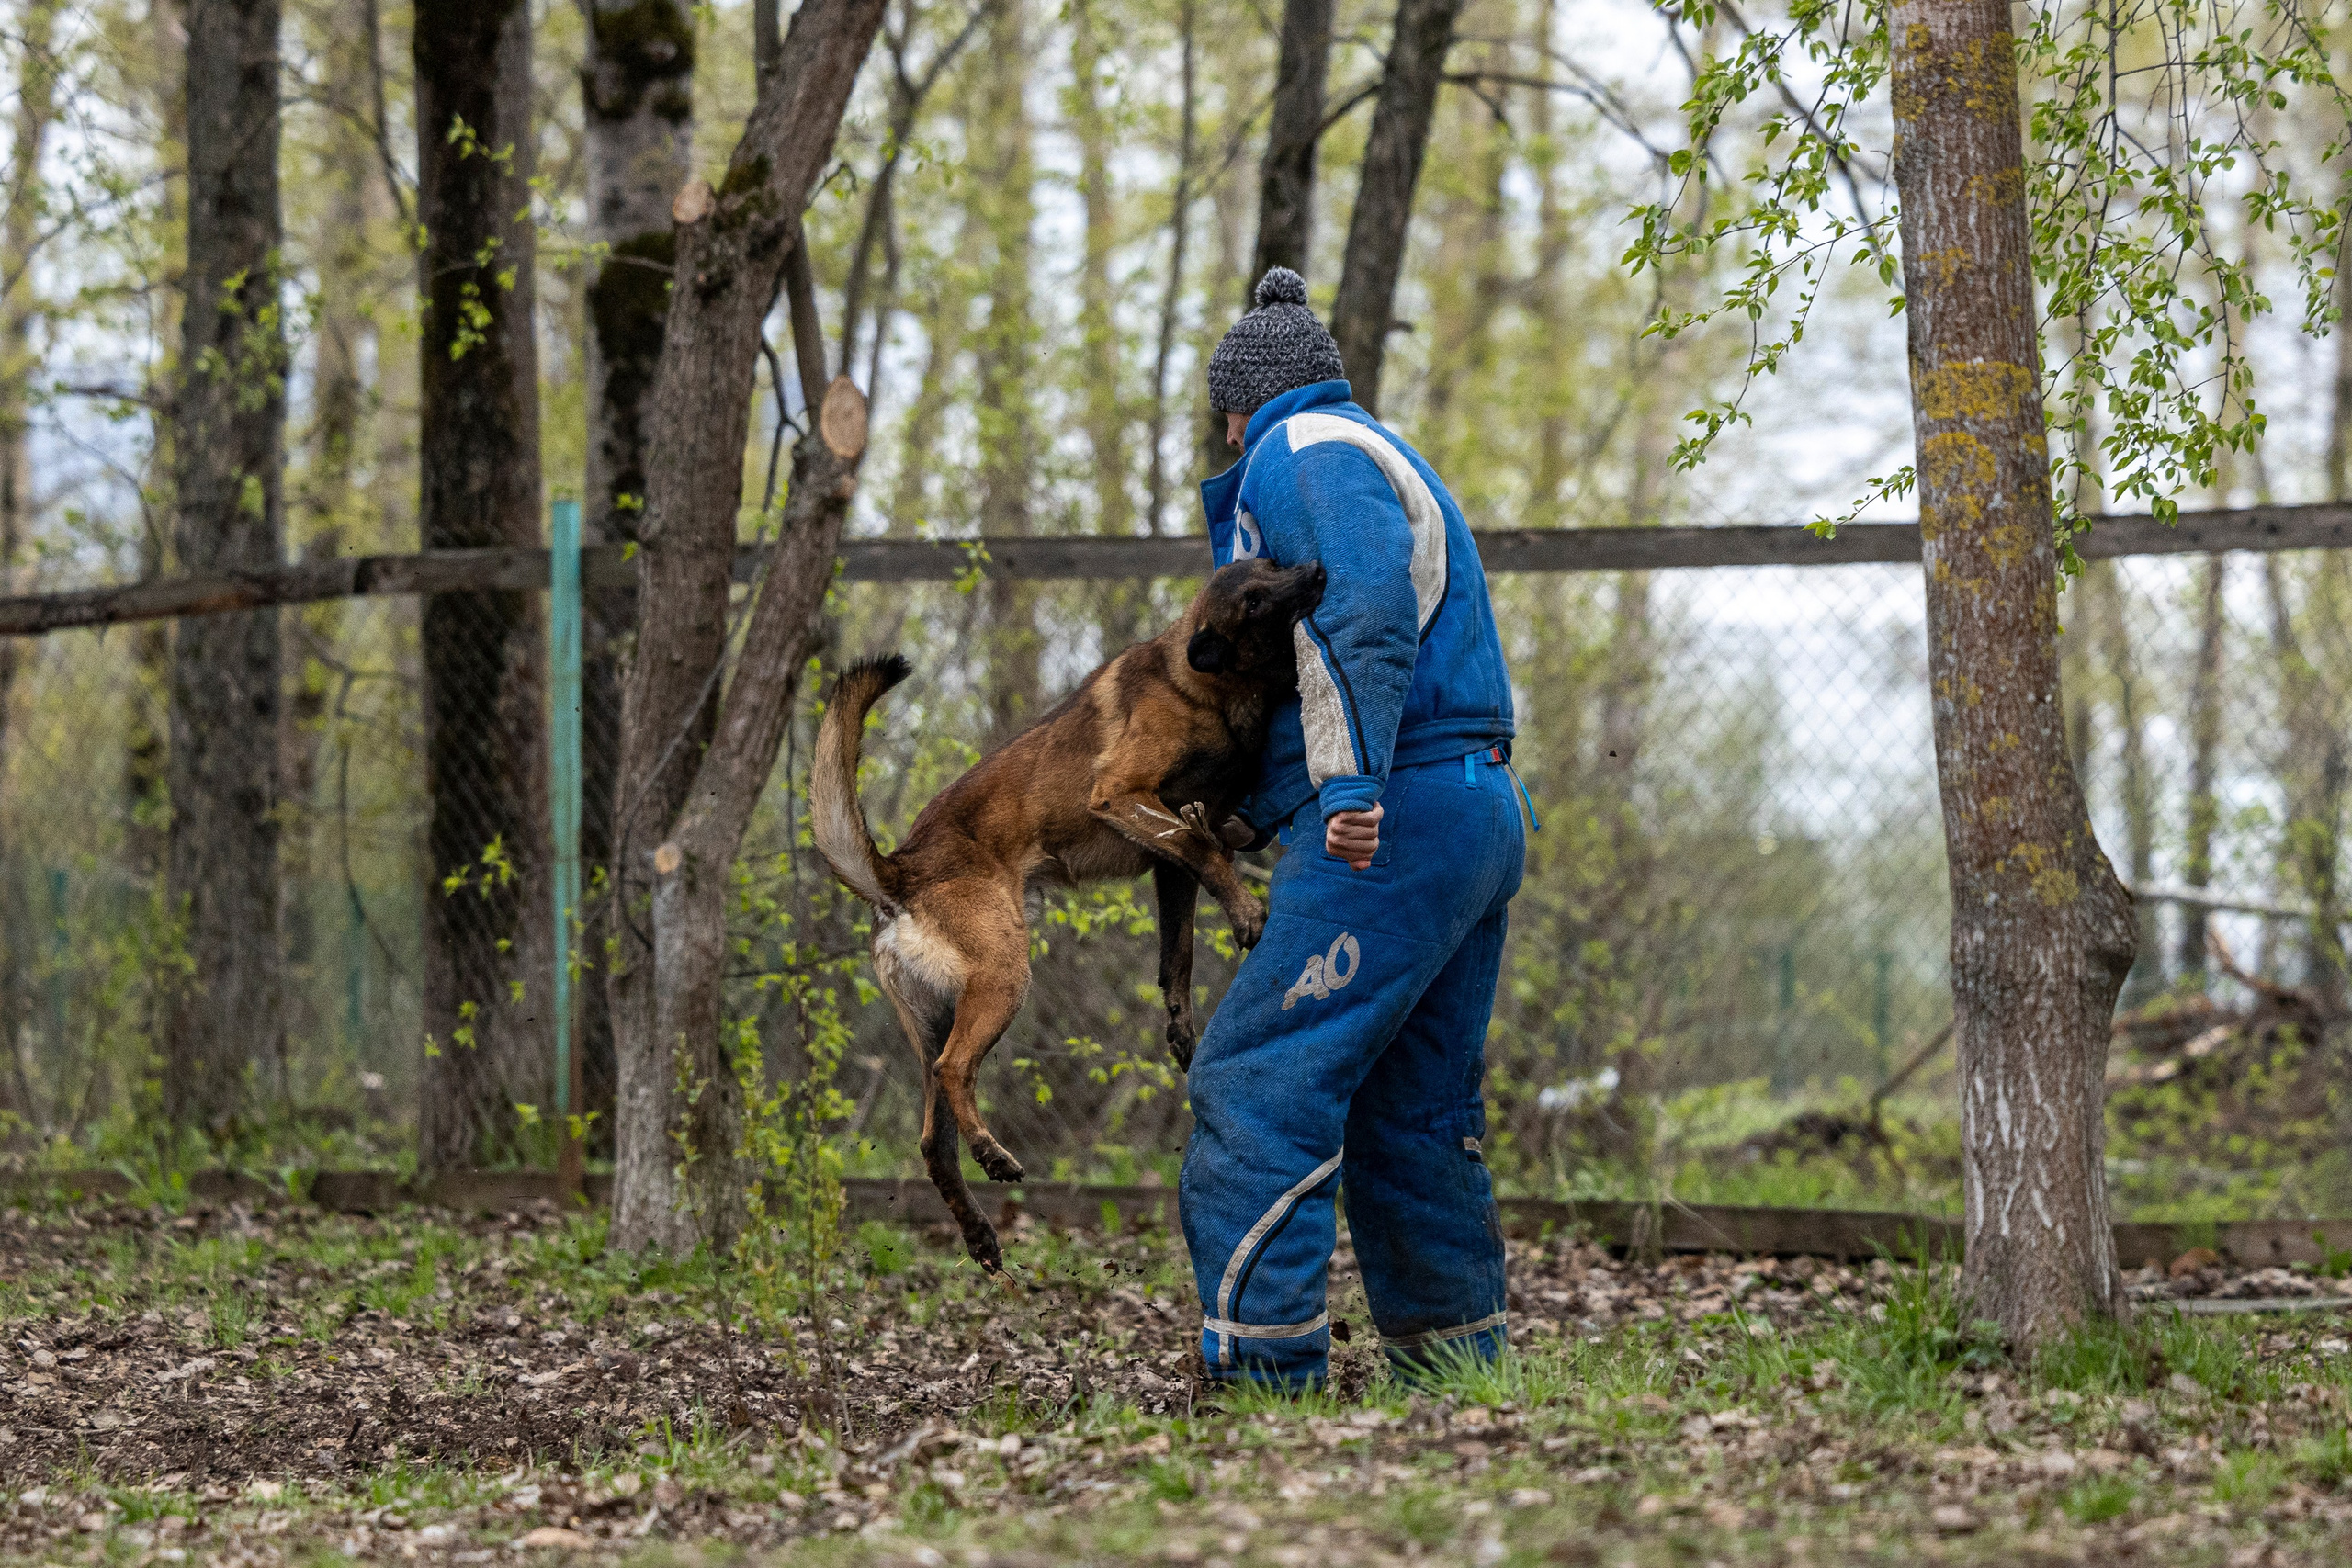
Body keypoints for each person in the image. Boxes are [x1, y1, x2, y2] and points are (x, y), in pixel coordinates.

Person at [1181, 265, 1532, 1390]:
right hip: (1472, 807)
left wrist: (1344, 790)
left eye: (1223, 419)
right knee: (1411, 1100)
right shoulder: (1382, 449)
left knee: (1256, 1080)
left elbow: (1362, 611)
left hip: (1395, 816)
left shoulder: (1307, 452)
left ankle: (1262, 1378)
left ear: (1244, 407)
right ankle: (1456, 1366)